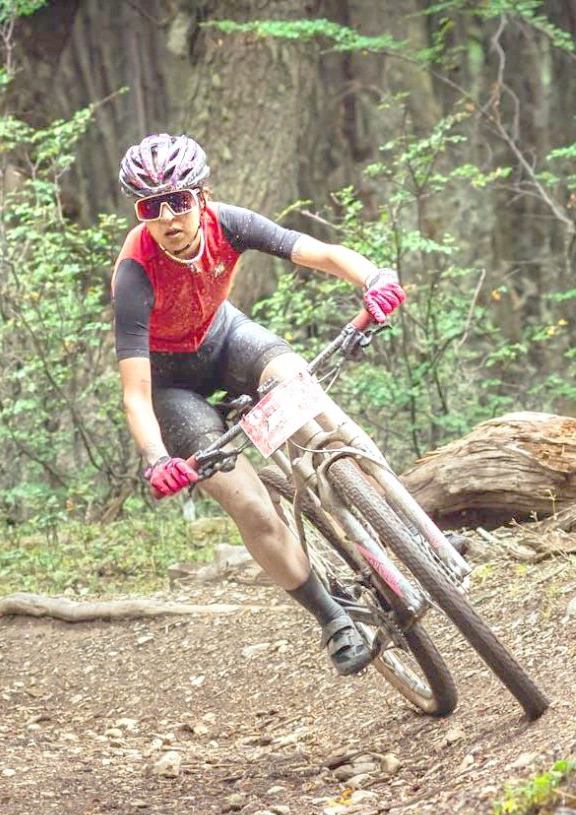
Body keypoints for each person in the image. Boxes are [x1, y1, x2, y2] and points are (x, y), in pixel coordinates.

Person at [113, 133, 406, 677]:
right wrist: (156, 458)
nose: (170, 217)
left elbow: (316, 251)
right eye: (153, 208)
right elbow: (134, 390)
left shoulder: (229, 223)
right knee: (249, 506)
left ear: (201, 196)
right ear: (141, 213)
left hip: (229, 342)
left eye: (180, 200)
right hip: (173, 386)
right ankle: (331, 617)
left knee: (313, 404)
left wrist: (373, 277)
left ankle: (410, 528)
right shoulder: (135, 272)